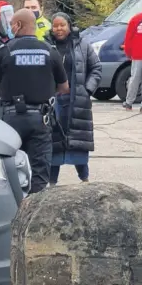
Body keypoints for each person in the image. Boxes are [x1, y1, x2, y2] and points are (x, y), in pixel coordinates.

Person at [0, 9, 69, 193]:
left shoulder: (6, 50)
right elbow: (64, 87)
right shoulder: (50, 51)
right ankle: (35, 210)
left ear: (18, 25)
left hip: (11, 118)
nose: (10, 28)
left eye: (12, 24)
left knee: (9, 169)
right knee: (39, 171)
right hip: (40, 118)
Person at [46, 12, 102, 186]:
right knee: (53, 142)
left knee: (79, 143)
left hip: (76, 100)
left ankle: (85, 181)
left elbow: (96, 67)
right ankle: (52, 184)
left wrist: (86, 89)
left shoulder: (82, 45)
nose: (59, 29)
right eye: (55, 25)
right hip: (53, 101)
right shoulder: (46, 46)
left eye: (62, 25)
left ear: (69, 26)